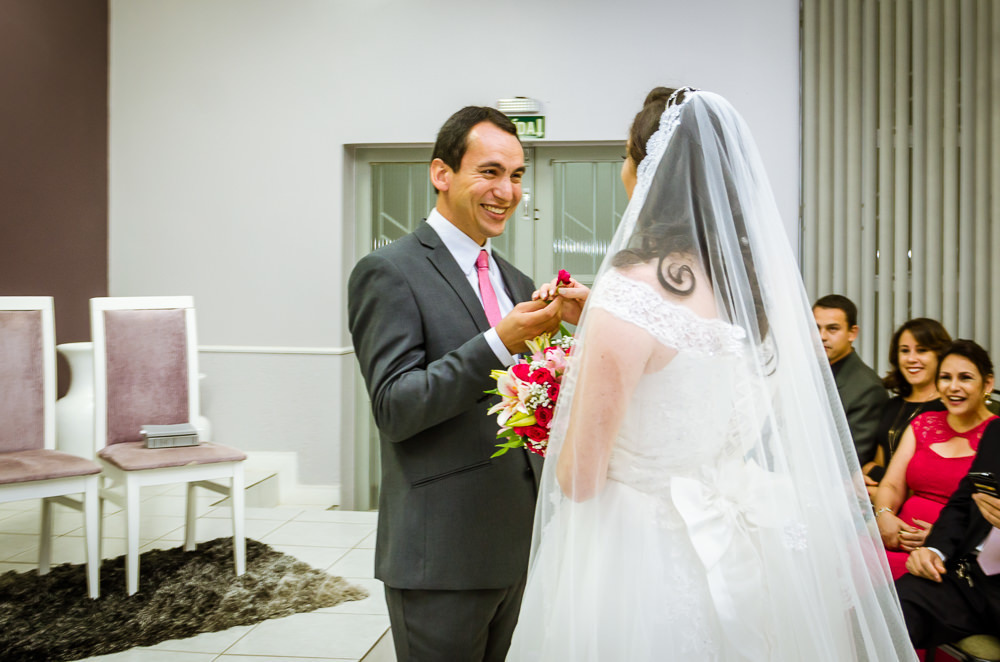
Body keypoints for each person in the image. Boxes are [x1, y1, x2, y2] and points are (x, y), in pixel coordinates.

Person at [507, 87, 915, 660]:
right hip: (737, 540)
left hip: (634, 554)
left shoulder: (626, 297)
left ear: (651, 171)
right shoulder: (745, 291)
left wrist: (554, 398)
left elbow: (579, 479)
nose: (624, 171)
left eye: (628, 157)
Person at [347, 106, 567, 661]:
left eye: (516, 176)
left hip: (518, 546)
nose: (507, 191)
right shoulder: (389, 271)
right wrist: (498, 342)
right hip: (440, 552)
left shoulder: (516, 281)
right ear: (441, 173)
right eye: (489, 172)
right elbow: (395, 406)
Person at [873, 340, 997, 579]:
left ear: (987, 383)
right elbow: (891, 484)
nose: (953, 387)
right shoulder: (924, 423)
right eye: (945, 378)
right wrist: (885, 515)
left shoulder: (995, 436)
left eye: (965, 378)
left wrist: (940, 540)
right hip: (892, 539)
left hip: (949, 555)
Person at [896, 418, 1000, 648]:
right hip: (970, 577)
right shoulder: (996, 431)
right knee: (879, 616)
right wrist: (935, 549)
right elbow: (963, 503)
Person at [864, 318, 951, 494]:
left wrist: (881, 488)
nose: (911, 359)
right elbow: (873, 464)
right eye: (905, 351)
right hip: (882, 509)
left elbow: (939, 482)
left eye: (921, 350)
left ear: (940, 355)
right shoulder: (892, 405)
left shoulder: (950, 408)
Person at [813, 294, 888, 465]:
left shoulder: (867, 388)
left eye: (832, 329)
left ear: (852, 333)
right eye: (816, 328)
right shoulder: (802, 372)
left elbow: (851, 459)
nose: (822, 336)